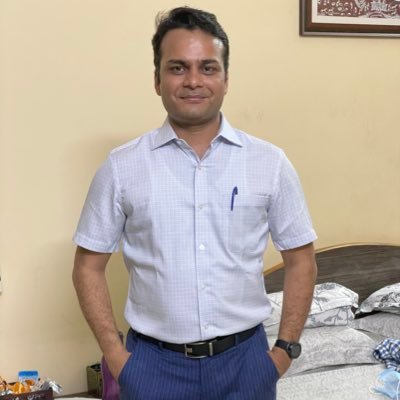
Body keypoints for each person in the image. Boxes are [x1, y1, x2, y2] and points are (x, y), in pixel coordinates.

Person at [72, 6, 318, 400]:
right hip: (152, 367)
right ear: (157, 80)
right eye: (177, 68)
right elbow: (87, 266)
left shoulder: (269, 163)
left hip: (246, 366)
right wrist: (116, 356)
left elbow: (301, 259)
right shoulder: (122, 167)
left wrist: (284, 350)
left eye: (207, 67)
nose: (193, 80)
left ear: (225, 79)